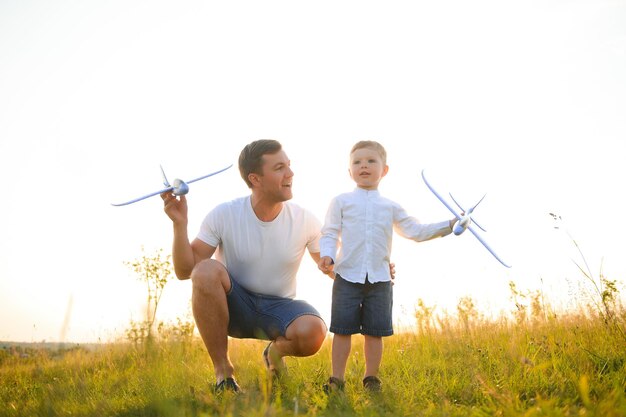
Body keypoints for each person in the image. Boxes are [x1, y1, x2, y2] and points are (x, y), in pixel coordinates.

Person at [161, 139, 328, 392]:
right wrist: (179, 224)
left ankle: (273, 354)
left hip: (279, 309)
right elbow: (186, 271)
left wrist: (375, 269)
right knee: (205, 270)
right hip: (234, 307)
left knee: (313, 331)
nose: (290, 173)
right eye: (279, 167)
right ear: (255, 179)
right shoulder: (224, 214)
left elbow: (330, 265)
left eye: (289, 166)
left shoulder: (305, 219)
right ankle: (223, 374)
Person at [317, 140, 457, 393]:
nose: (364, 166)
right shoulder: (341, 201)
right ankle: (336, 379)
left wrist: (450, 225)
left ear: (385, 170)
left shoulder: (390, 206)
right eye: (357, 162)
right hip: (346, 277)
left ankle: (371, 378)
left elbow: (416, 231)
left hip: (380, 280)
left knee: (375, 332)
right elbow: (329, 232)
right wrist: (327, 255)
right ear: (349, 171)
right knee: (342, 330)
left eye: (371, 161)